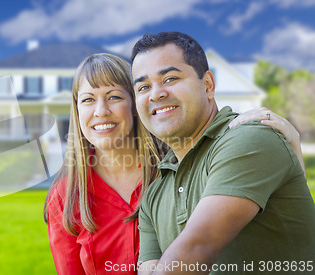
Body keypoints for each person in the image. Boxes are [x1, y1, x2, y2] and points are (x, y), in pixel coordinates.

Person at [131, 32, 315, 274]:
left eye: (170, 78)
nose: (156, 94)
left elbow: (198, 246)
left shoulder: (249, 138)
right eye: (143, 87)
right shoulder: (153, 195)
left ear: (208, 85)